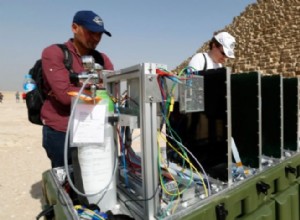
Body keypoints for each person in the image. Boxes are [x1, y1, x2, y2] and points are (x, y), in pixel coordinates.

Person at [41, 10, 114, 168]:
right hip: (62, 131)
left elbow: (113, 92)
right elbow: (65, 98)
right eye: (91, 32)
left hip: (94, 129)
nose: (96, 38)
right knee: (68, 181)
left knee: (95, 177)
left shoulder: (102, 59)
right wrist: (96, 88)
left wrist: (75, 88)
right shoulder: (54, 53)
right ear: (75, 28)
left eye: (99, 34)